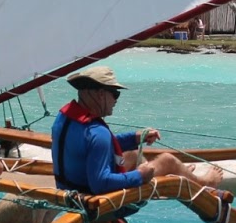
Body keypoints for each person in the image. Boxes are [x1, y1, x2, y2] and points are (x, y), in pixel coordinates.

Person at [50, 65, 222, 194]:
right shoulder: (97, 133)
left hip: (70, 191)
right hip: (100, 202)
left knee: (132, 153)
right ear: (100, 94)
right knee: (167, 160)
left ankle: (178, 172)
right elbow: (100, 183)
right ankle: (205, 182)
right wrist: (139, 176)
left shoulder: (64, 118)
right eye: (115, 93)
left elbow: (92, 147)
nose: (116, 100)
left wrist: (134, 138)